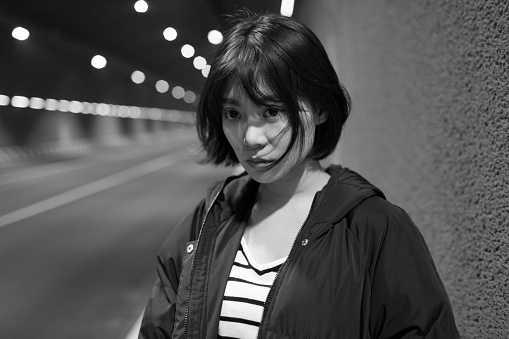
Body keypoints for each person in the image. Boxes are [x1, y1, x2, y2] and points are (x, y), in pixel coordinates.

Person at [139, 9, 460, 339]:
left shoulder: (374, 230)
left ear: (320, 108)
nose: (250, 137)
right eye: (233, 113)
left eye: (272, 111)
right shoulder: (208, 220)